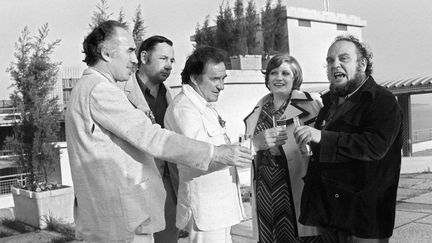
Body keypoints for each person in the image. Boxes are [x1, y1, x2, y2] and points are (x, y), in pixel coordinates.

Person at [65, 20, 253, 243]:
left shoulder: (89, 87)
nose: (134, 59)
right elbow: (151, 136)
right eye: (129, 51)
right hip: (121, 220)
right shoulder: (100, 89)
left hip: (120, 214)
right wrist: (214, 153)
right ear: (106, 53)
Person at [294, 35, 403, 243]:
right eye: (330, 60)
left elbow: (374, 146)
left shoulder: (382, 101)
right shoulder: (327, 102)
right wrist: (311, 144)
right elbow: (327, 147)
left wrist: (322, 137)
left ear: (362, 64)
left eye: (343, 58)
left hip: (363, 217)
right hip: (329, 213)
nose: (335, 65)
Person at [164, 46, 246, 243]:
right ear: (194, 77)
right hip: (206, 210)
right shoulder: (184, 109)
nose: (221, 86)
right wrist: (255, 145)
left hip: (218, 209)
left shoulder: (204, 107)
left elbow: (219, 150)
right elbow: (203, 156)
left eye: (223, 79)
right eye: (215, 79)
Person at [243, 54, 323, 242]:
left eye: (286, 73)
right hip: (265, 190)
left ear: (295, 78)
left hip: (297, 189)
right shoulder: (259, 109)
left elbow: (323, 143)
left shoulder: (313, 105)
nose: (279, 78)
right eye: (274, 73)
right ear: (267, 78)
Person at [117, 35, 181, 243]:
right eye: (163, 58)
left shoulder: (171, 96)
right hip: (136, 185)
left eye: (172, 60)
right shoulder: (120, 92)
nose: (169, 65)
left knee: (167, 238)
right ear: (144, 57)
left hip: (168, 185)